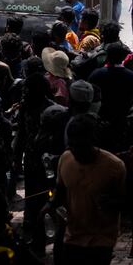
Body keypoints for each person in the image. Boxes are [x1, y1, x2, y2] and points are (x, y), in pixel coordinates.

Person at [45, 114, 126, 265]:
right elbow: (60, 190)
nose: (76, 151)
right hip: (73, 236)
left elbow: (126, 201)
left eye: (81, 146)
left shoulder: (115, 166)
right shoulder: (65, 158)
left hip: (101, 240)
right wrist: (50, 205)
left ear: (92, 140)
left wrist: (112, 203)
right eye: (72, 145)